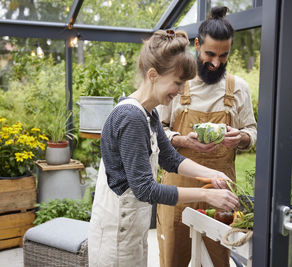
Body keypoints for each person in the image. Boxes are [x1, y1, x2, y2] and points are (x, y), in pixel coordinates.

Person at [87, 29, 240, 267]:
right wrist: (206, 194)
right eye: (177, 83)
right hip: (115, 237)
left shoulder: (149, 113)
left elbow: (171, 159)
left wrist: (213, 174)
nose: (180, 91)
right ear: (153, 75)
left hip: (129, 231)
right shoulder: (130, 117)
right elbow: (145, 190)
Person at [156, 6, 257, 267]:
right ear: (197, 45)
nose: (215, 63)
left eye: (224, 56)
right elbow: (156, 130)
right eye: (210, 54)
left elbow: (252, 132)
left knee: (217, 260)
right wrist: (180, 139)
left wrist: (242, 138)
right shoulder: (177, 85)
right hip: (179, 190)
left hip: (221, 194)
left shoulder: (239, 89)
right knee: (173, 260)